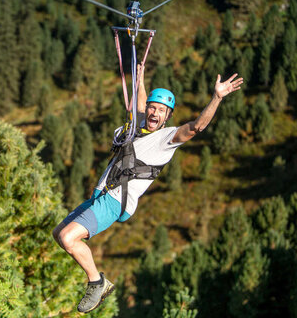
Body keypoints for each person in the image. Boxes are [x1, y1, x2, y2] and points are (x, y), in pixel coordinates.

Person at [52, 66, 243, 313]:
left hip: (114, 200)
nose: (155, 112)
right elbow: (141, 106)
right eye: (153, 108)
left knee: (69, 238)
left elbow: (196, 127)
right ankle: (93, 276)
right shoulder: (139, 125)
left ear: (167, 117)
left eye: (161, 111)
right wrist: (140, 80)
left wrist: (217, 97)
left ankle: (97, 282)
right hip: (100, 195)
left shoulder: (166, 140)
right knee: (59, 234)